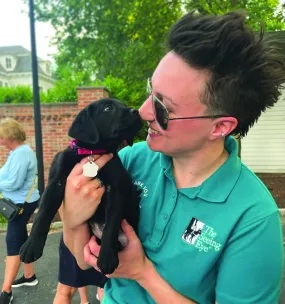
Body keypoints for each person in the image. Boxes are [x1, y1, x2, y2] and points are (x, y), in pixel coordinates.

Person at [61, 11, 285, 304]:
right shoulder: (130, 161)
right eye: (150, 90)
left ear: (220, 127)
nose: (143, 112)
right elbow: (81, 259)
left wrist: (143, 273)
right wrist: (71, 218)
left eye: (163, 108)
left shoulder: (253, 218)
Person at [0, 118, 40, 304]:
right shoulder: (17, 152)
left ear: (10, 137)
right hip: (19, 203)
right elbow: (6, 175)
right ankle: (29, 276)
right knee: (21, 238)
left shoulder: (22, 154)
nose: (0, 141)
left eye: (1, 137)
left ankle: (5, 291)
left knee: (13, 243)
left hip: (21, 205)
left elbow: (14, 183)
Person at [53, 206, 107, 304]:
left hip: (105, 227)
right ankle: (84, 300)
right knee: (66, 289)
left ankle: (85, 300)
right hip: (78, 226)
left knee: (106, 287)